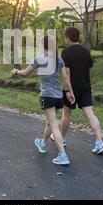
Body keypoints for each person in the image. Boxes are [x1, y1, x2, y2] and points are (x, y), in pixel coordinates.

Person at [12, 36, 75, 166]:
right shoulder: (59, 59)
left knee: (53, 124)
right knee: (49, 123)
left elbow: (25, 73)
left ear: (42, 46)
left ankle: (62, 155)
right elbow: (65, 77)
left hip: (47, 95)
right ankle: (42, 143)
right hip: (58, 96)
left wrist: (16, 71)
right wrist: (71, 92)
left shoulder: (39, 59)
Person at [52, 27, 103, 154]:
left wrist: (67, 90)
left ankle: (62, 139)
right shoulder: (86, 51)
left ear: (68, 38)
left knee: (67, 114)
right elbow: (88, 68)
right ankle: (99, 142)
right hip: (85, 87)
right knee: (90, 114)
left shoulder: (66, 52)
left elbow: (67, 73)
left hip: (71, 89)